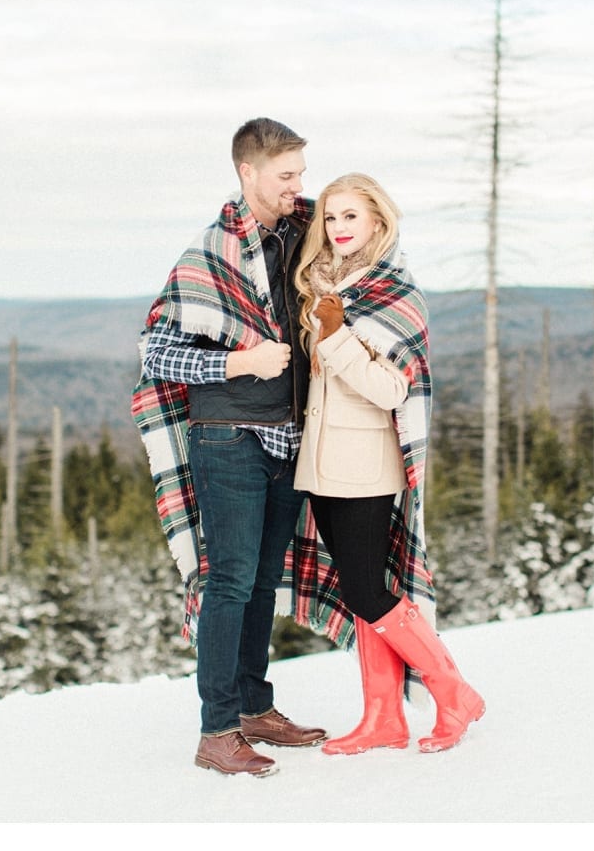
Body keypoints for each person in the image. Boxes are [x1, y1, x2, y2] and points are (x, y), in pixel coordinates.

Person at [131, 118, 332, 778]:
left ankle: (254, 707)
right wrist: (239, 364)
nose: (297, 187)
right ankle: (216, 731)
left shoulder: (303, 237)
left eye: (301, 174)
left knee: (260, 585)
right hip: (228, 437)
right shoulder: (209, 251)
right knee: (230, 581)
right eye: (286, 177)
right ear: (248, 173)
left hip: (287, 434)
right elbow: (156, 350)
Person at [292, 172, 485, 755]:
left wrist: (334, 337)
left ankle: (454, 693)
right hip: (321, 463)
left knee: (369, 593)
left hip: (366, 464)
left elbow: (392, 391)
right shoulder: (324, 287)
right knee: (361, 593)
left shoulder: (396, 293)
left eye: (351, 216)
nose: (338, 228)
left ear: (378, 220)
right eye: (330, 217)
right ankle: (383, 719)